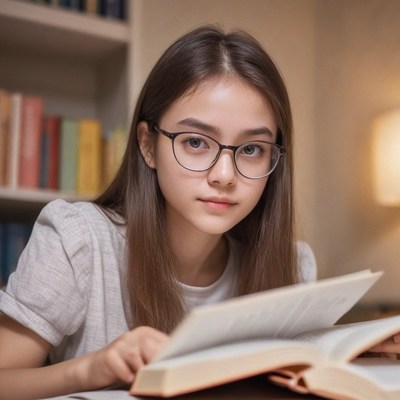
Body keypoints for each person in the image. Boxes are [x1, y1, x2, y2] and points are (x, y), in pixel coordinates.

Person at [0, 25, 397, 400]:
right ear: (148, 145)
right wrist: (92, 370)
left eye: (253, 149)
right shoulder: (79, 241)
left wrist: (355, 353)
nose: (224, 175)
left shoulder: (292, 265)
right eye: (195, 142)